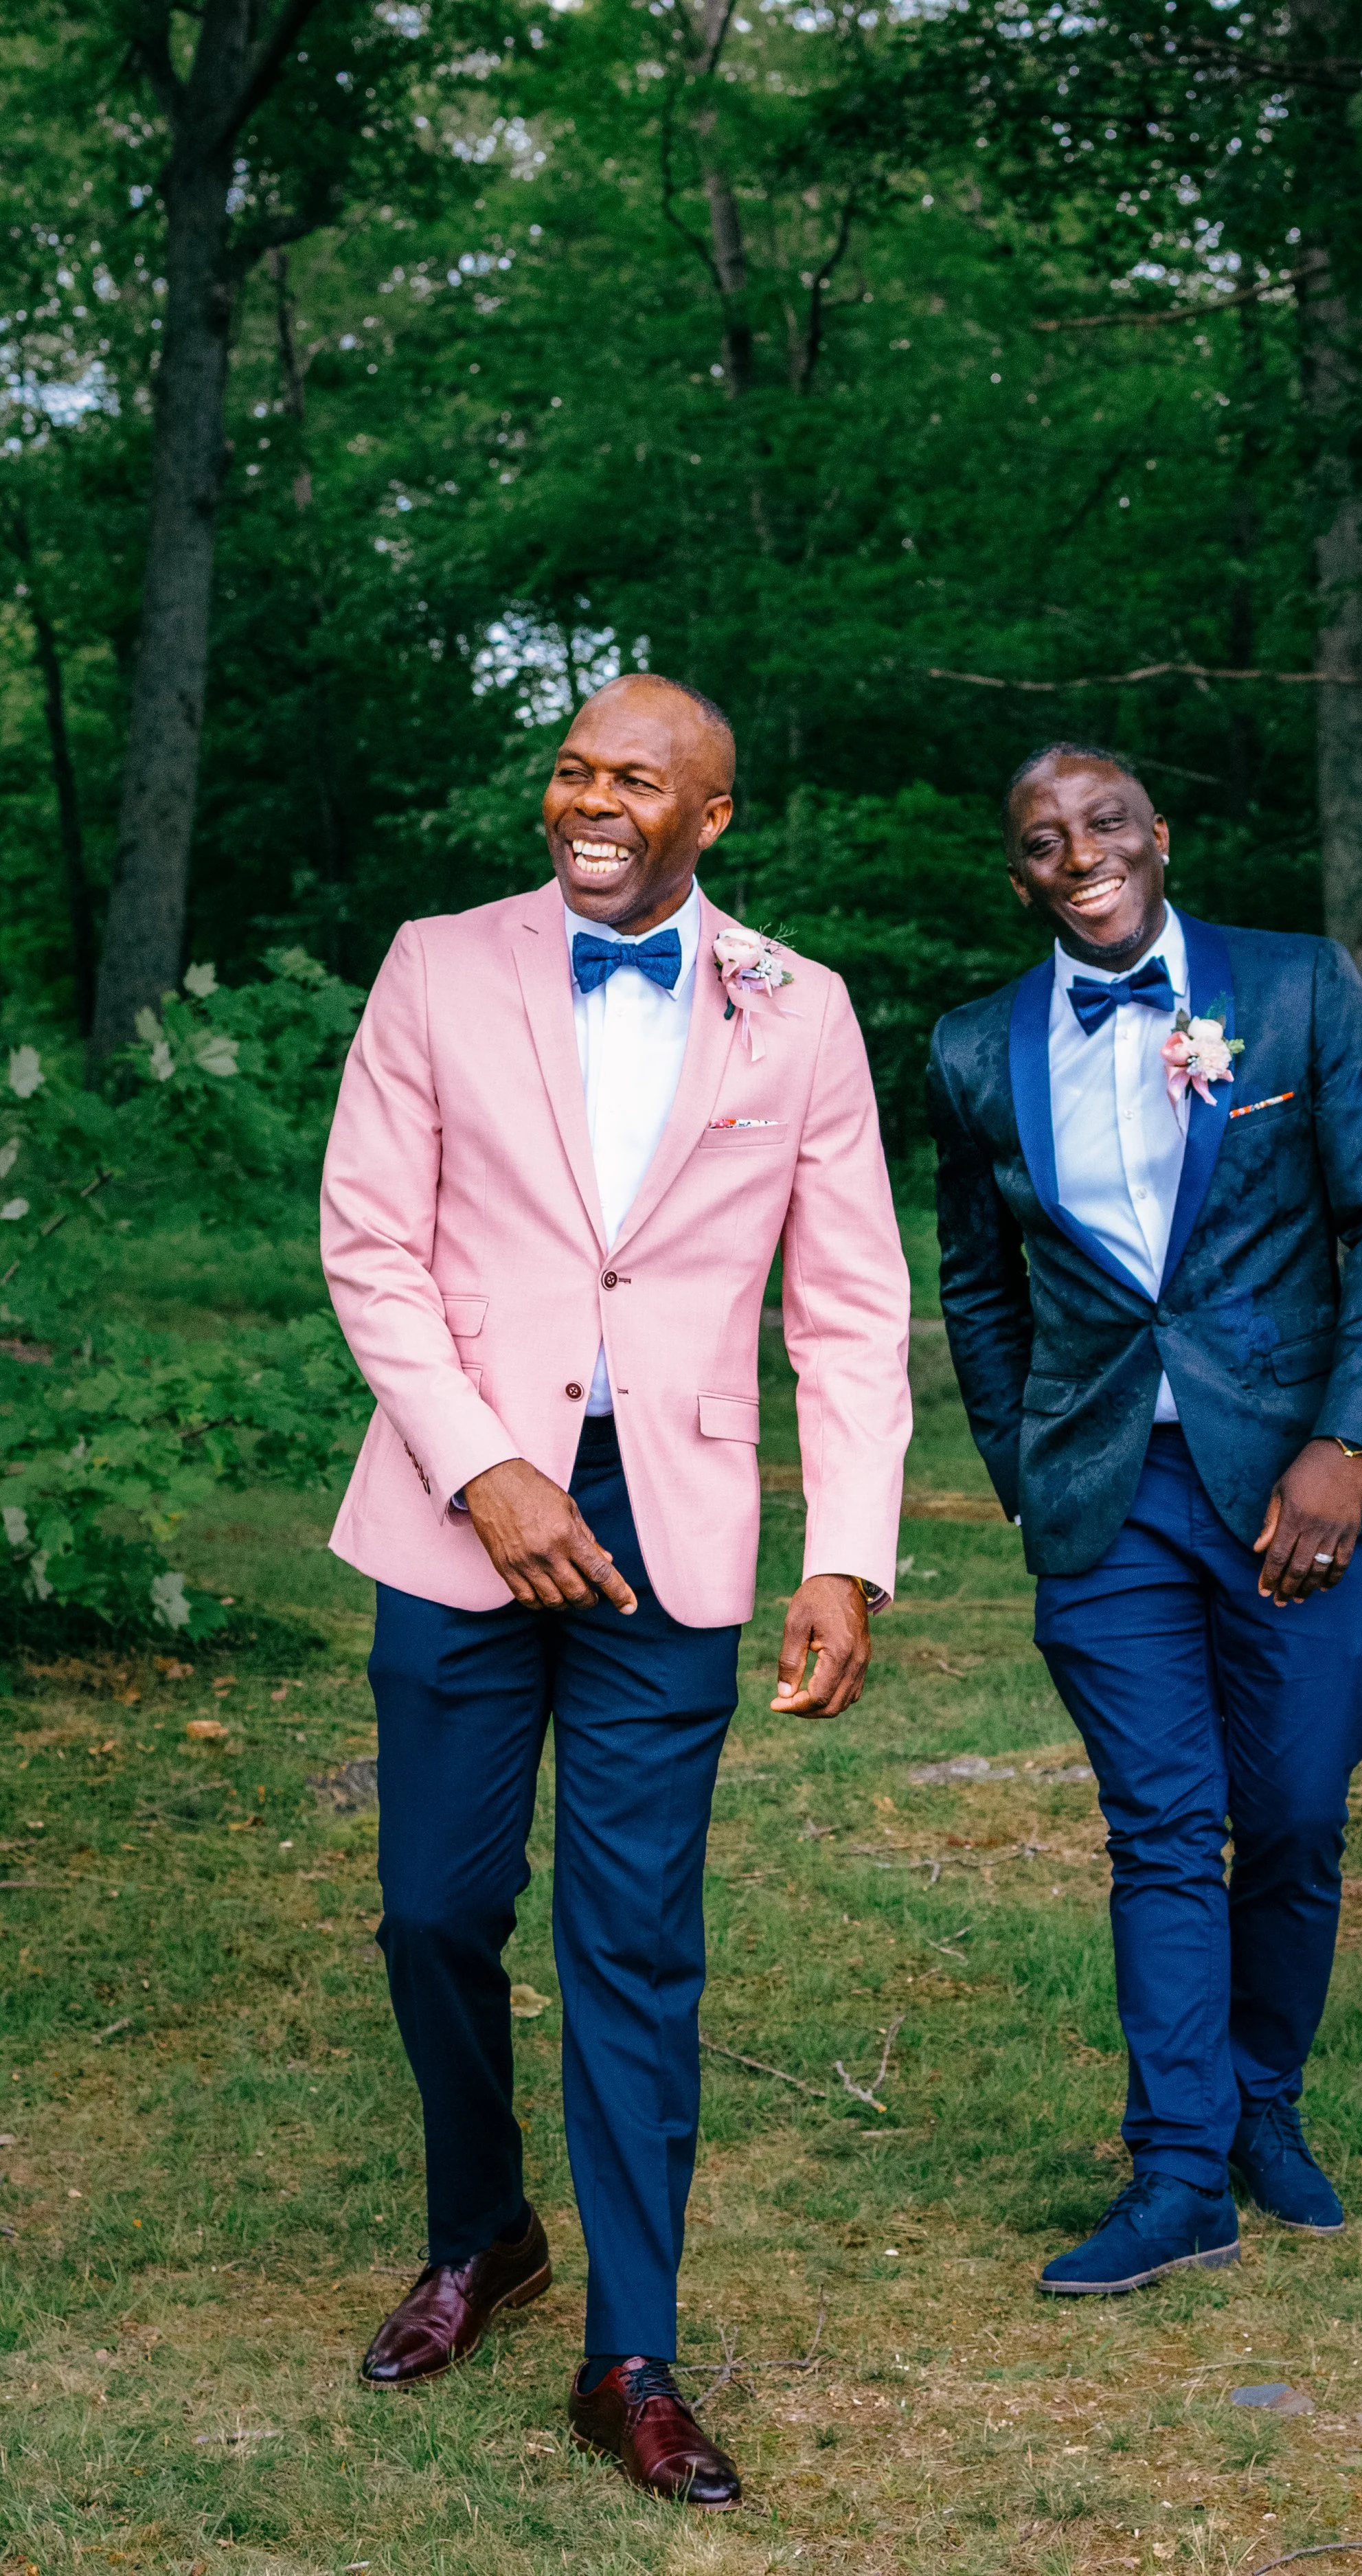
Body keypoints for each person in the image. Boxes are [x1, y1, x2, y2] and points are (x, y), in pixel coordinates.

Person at [320, 673, 911, 2505]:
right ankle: (482, 2227)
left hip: (675, 1525)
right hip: (456, 1506)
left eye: (633, 779)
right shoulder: (438, 962)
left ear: (708, 814)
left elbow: (848, 1299)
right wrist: (481, 1467)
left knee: (634, 1942)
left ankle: (628, 2347)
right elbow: (370, 1234)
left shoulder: (796, 1008)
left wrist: (844, 1551)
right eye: (573, 767)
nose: (591, 798)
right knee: (433, 1908)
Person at [927, 743, 1362, 2297]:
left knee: (1289, 1813)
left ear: (1156, 833)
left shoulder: (1289, 989)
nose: (1074, 854)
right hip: (1105, 1499)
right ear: (1015, 873)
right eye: (1037, 841)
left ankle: (1259, 2107)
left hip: (1287, 1482)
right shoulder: (971, 1048)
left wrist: (1343, 1443)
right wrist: (1032, 1477)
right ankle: (1174, 2173)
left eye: (1098, 824)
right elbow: (975, 1280)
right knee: (1158, 1827)